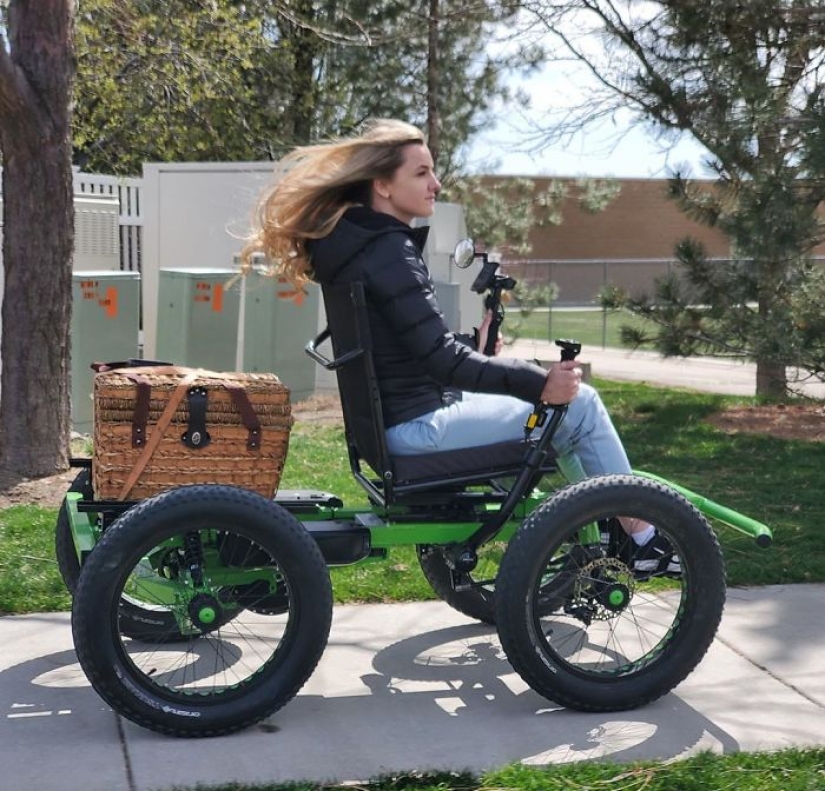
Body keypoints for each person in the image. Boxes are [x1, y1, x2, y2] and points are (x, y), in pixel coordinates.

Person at [245, 119, 678, 578]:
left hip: (399, 419)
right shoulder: (389, 251)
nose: (435, 184)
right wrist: (539, 383)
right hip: (417, 427)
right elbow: (442, 362)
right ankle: (643, 539)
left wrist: (476, 346)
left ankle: (600, 527)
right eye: (421, 173)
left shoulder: (363, 247)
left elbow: (411, 346)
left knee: (562, 418)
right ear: (382, 186)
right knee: (581, 405)